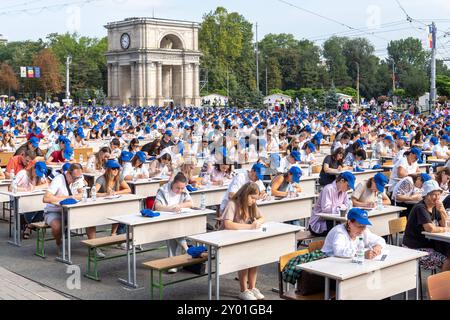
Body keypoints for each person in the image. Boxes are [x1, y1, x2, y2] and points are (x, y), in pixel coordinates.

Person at [218, 182, 266, 300]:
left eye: (256, 198)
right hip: (228, 240)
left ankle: (252, 287)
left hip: (243, 237)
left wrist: (258, 222)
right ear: (245, 194)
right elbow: (227, 224)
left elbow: (262, 217)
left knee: (254, 259)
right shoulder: (232, 204)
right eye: (252, 198)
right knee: (244, 259)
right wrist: (250, 227)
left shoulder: (252, 205)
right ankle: (243, 290)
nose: (254, 201)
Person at [403, 180, 450, 272]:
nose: (437, 197)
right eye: (433, 194)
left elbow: (445, 224)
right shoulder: (420, 208)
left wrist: (442, 211)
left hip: (431, 244)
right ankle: (441, 285)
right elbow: (430, 229)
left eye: (438, 194)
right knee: (448, 261)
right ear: (426, 195)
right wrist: (446, 229)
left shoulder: (435, 206)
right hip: (415, 248)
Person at [154, 172, 194, 272]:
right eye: (177, 188)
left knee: (174, 228)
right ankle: (186, 248)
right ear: (173, 183)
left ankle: (171, 261)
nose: (180, 191)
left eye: (182, 188)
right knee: (173, 228)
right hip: (164, 218)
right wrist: (169, 209)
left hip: (178, 218)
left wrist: (180, 206)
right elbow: (157, 206)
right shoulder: (163, 190)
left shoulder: (183, 188)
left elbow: (190, 203)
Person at [42, 163, 84, 255]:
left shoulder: (78, 178)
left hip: (71, 210)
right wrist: (67, 197)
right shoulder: (58, 179)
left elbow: (82, 194)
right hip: (53, 211)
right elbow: (45, 198)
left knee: (90, 220)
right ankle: (59, 243)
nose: (76, 180)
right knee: (57, 226)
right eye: (74, 178)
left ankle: (93, 246)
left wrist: (77, 195)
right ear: (68, 173)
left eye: (78, 178)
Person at [322, 208, 386, 259]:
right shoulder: (339, 232)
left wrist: (378, 247)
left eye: (364, 226)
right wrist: (362, 253)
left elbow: (380, 240)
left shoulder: (364, 231)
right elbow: (338, 251)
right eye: (359, 226)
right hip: (329, 265)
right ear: (349, 223)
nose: (362, 230)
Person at [93, 160, 132, 240]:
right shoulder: (101, 179)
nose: (116, 170)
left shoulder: (119, 177)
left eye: (118, 168)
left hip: (114, 202)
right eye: (113, 168)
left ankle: (115, 234)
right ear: (108, 169)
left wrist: (116, 192)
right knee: (118, 211)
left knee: (124, 211)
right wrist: (106, 194)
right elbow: (93, 193)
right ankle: (115, 234)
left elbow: (128, 190)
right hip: (102, 204)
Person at [9, 161, 48, 239]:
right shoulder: (23, 174)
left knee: (45, 208)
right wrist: (26, 189)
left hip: (31, 200)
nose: (37, 175)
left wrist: (35, 188)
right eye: (37, 172)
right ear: (33, 168)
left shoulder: (40, 175)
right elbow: (11, 188)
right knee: (34, 207)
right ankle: (27, 223)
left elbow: (47, 184)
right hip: (18, 200)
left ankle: (29, 226)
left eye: (39, 173)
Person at [309, 172, 356, 237]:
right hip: (319, 224)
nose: (349, 189)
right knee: (341, 231)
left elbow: (347, 205)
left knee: (350, 226)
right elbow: (326, 209)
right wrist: (341, 207)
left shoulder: (344, 191)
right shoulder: (328, 189)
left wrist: (340, 207)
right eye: (348, 186)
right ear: (342, 181)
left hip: (334, 221)